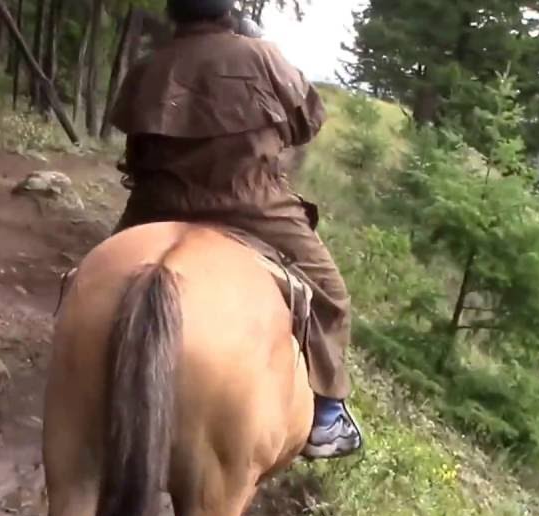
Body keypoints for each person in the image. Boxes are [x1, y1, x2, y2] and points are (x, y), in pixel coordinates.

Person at [106, 0, 364, 460]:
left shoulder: (149, 66)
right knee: (330, 295)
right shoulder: (261, 55)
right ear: (227, 12)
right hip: (252, 205)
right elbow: (308, 121)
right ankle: (327, 415)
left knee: (93, 277)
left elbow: (134, 146)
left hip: (155, 206)